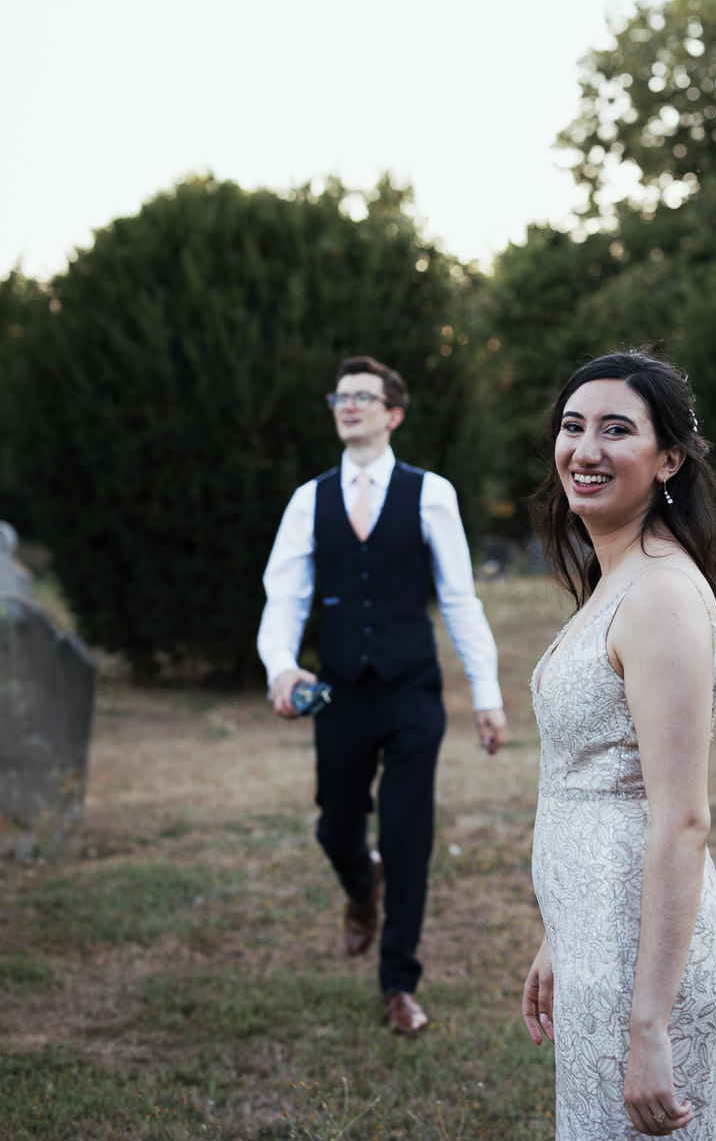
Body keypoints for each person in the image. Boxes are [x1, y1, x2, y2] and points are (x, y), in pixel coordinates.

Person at [521, 350, 716, 1138]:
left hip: (644, 967)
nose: (585, 450)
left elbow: (681, 819)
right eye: (572, 426)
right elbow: (589, 779)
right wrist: (560, 934)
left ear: (669, 461)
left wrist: (649, 1026)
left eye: (616, 430)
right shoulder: (615, 577)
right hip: (596, 941)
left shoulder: (658, 594)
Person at [257, 354, 508, 1036]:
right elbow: (284, 595)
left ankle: (399, 982)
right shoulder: (309, 499)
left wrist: (486, 694)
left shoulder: (432, 494)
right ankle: (360, 887)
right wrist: (283, 667)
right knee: (335, 825)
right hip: (339, 692)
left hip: (410, 692)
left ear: (393, 414)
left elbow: (459, 600)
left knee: (407, 835)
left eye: (363, 396)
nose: (348, 404)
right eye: (340, 395)